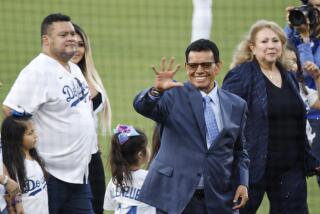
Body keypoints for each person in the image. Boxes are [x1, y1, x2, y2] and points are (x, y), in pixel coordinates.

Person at [133, 39, 249, 214]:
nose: (199, 70)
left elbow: (240, 150)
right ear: (187, 68)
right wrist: (156, 91)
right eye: (193, 66)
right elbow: (142, 106)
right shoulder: (172, 96)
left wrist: (243, 182)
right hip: (176, 196)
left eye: (205, 65)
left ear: (217, 66)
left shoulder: (236, 105)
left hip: (219, 197)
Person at [222, 20, 320, 214]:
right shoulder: (240, 76)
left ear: (282, 44)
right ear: (252, 47)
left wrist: (310, 158)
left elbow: (297, 122)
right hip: (252, 166)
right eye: (264, 41)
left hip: (289, 167)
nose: (270, 45)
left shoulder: (290, 76)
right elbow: (227, 121)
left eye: (275, 40)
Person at [2, 13, 97, 213]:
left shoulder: (74, 68)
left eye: (72, 33)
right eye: (64, 35)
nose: (71, 38)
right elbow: (11, 110)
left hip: (79, 177)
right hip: (50, 176)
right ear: (46, 40)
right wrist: (30, 153)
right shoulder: (37, 71)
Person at [71, 23, 112, 214]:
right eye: (71, 43)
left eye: (81, 44)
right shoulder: (51, 79)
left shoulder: (92, 78)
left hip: (92, 160)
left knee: (96, 209)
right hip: (64, 162)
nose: (76, 49)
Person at [285, 0, 320, 188]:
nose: (315, 11)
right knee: (291, 182)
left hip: (317, 116)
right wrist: (291, 25)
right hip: (296, 119)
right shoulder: (295, 35)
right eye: (312, 6)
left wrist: (305, 40)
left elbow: (308, 70)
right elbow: (278, 57)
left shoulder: (305, 40)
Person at [103, 124, 156, 214]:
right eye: (147, 145)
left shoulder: (115, 180)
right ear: (140, 155)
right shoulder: (150, 179)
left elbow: (110, 206)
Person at [1, 115, 48, 214]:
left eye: (34, 131)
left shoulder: (34, 156)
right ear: (16, 138)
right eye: (30, 133)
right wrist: (15, 205)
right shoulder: (14, 165)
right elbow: (14, 193)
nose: (35, 135)